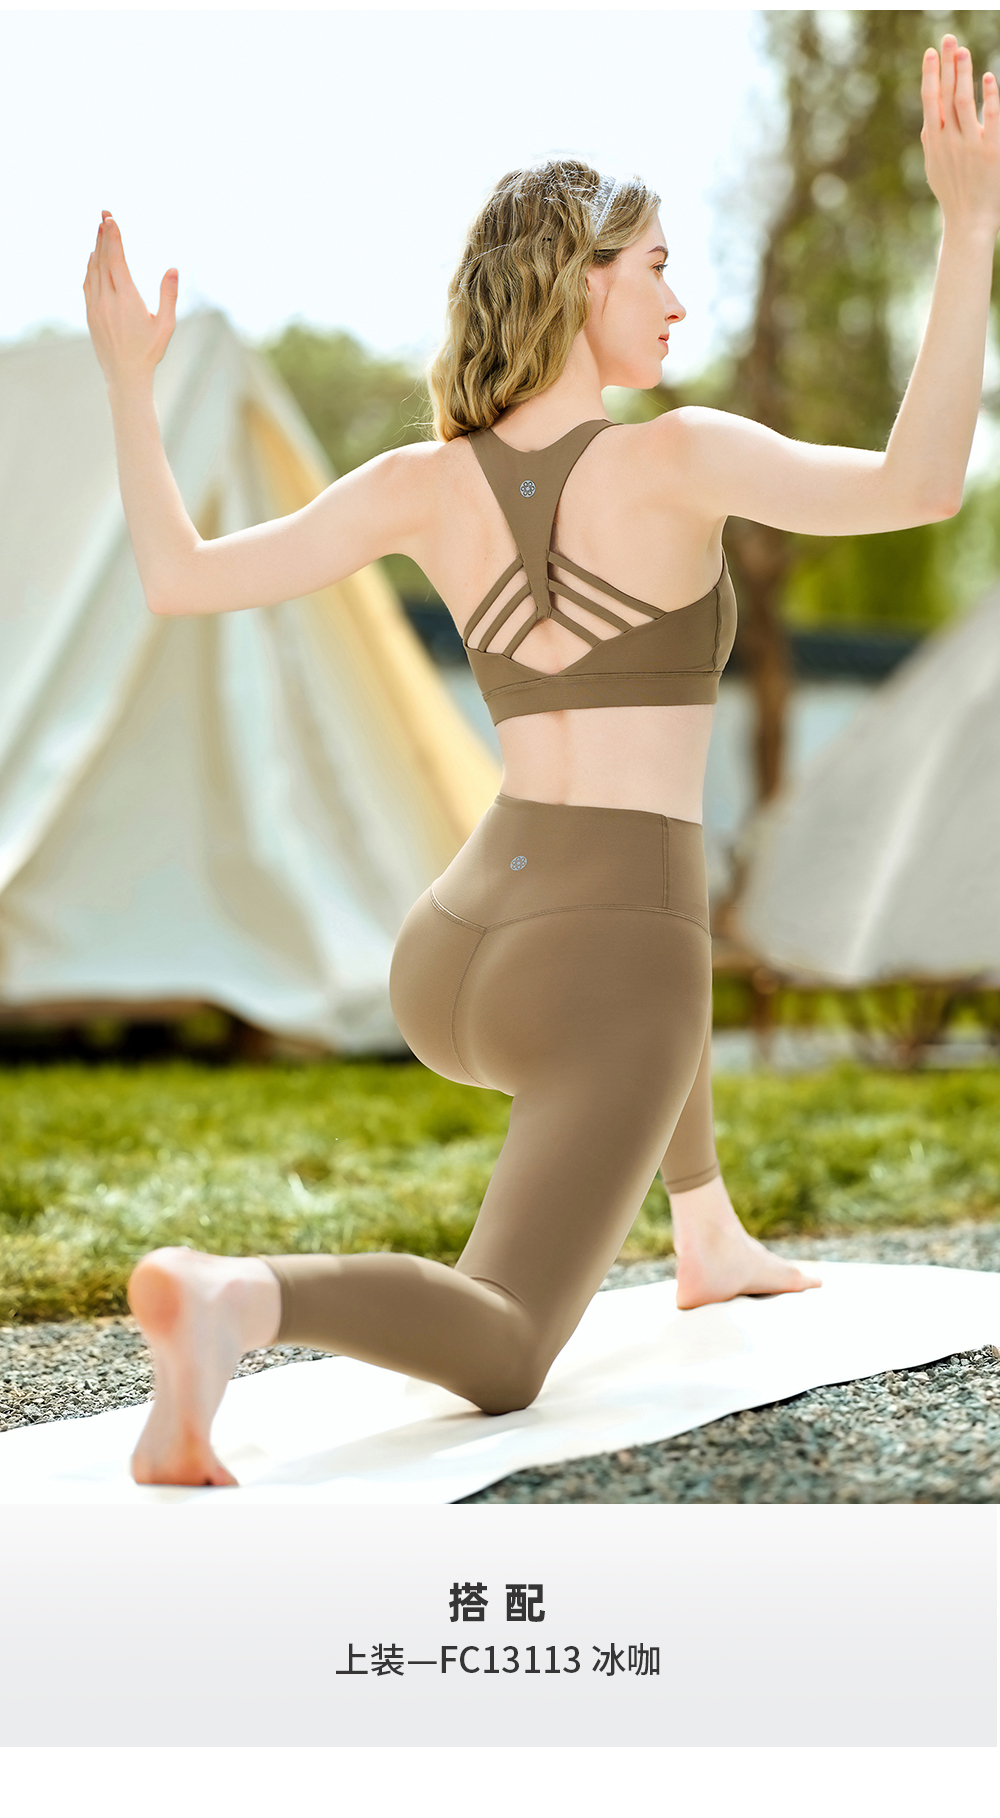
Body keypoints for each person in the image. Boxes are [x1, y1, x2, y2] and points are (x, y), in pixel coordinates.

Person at [84, 36, 999, 1487]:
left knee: (652, 960)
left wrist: (130, 387)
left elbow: (179, 577)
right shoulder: (678, 457)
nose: (678, 302)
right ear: (581, 280)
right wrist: (968, 230)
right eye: (656, 269)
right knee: (509, 1339)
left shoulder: (421, 482)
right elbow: (922, 482)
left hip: (455, 944)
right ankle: (235, 1297)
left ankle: (706, 1233)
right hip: (600, 956)